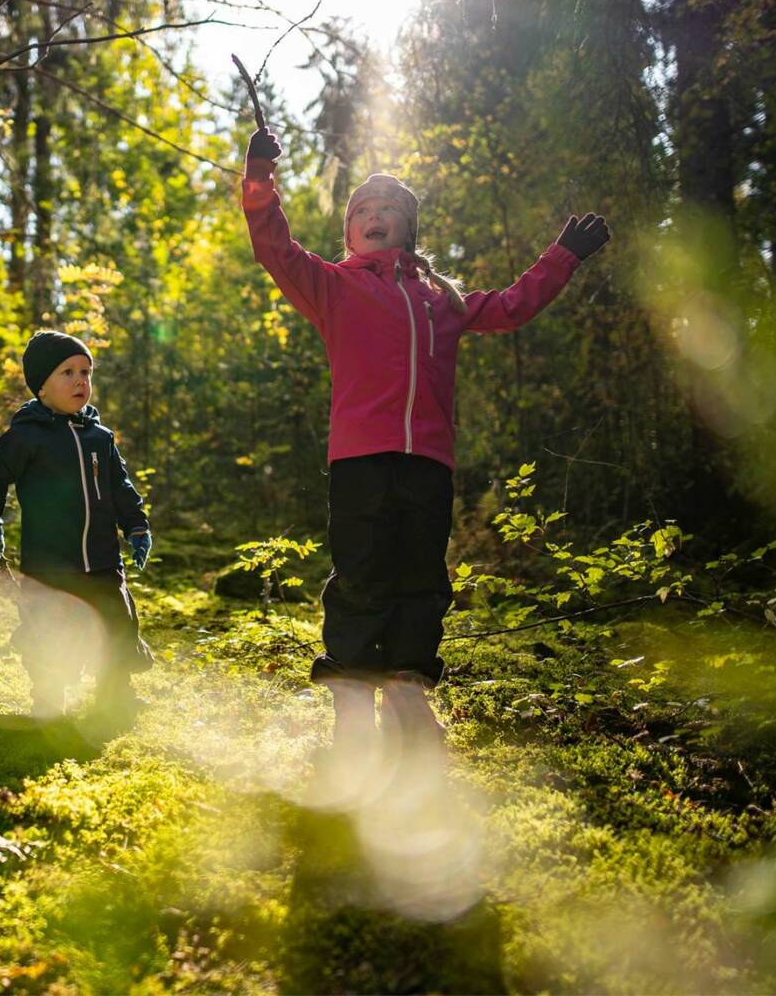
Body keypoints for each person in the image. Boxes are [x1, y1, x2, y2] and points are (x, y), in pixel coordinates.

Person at [239, 126, 612, 774]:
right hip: (360, 459)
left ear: (408, 228)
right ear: (349, 232)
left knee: (420, 582)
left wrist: (564, 257)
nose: (373, 216)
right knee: (360, 578)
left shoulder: (444, 298)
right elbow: (273, 245)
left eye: (387, 209)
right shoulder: (331, 286)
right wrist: (261, 173)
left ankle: (409, 698)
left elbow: (513, 306)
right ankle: (353, 704)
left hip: (428, 464)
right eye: (360, 210)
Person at [0, 329, 155, 720]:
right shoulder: (25, 437)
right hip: (51, 564)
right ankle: (50, 699)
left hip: (104, 562)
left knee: (117, 625)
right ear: (41, 386)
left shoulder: (100, 438)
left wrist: (137, 527)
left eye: (86, 372)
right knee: (51, 633)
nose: (80, 382)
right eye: (67, 372)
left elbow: (120, 486)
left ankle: (115, 694)